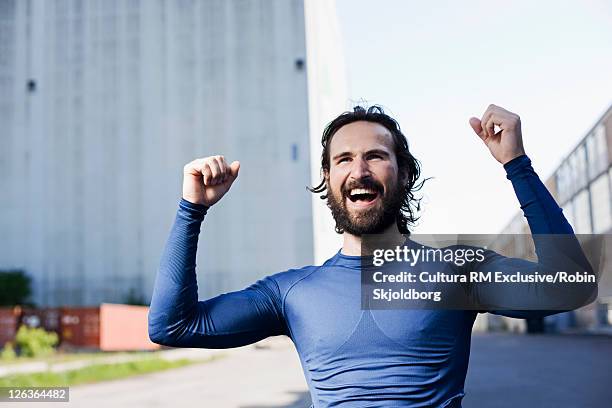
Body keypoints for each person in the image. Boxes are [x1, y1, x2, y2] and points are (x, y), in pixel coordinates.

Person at [148, 104, 594, 407]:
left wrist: (516, 164)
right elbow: (171, 325)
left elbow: (571, 288)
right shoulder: (290, 293)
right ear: (328, 177)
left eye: (375, 156)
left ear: (404, 173)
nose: (358, 169)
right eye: (343, 159)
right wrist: (192, 210)